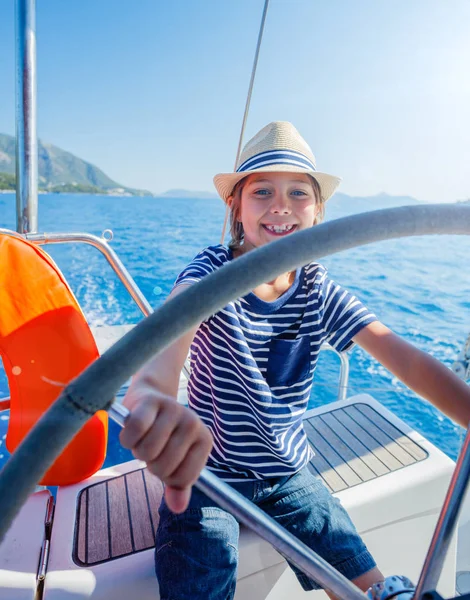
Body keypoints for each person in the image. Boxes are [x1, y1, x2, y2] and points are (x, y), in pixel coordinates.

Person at [120, 121, 470, 599]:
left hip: (289, 474)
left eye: (298, 193)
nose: (281, 204)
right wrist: (150, 395)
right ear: (235, 208)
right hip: (209, 476)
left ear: (318, 211)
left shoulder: (317, 288)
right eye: (262, 190)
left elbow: (403, 359)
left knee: (368, 586)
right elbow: (167, 339)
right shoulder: (209, 274)